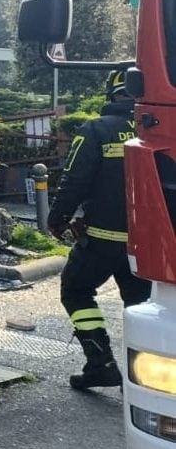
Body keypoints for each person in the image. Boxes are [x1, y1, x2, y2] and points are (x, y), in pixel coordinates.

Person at [47, 69, 151, 390]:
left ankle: (100, 363)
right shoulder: (161, 130)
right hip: (150, 246)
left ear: (112, 92)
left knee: (76, 290)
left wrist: (58, 219)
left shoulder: (97, 130)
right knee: (142, 308)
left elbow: (74, 180)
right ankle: (143, 379)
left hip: (104, 241)